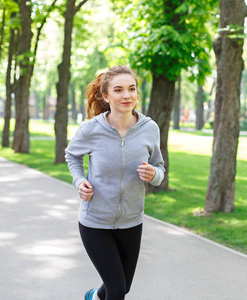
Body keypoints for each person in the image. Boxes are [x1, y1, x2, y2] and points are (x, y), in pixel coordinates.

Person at [65, 65, 165, 300]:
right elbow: (72, 155)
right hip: (95, 222)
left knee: (121, 287)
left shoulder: (149, 129)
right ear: (106, 96)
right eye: (118, 90)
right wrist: (79, 181)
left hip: (132, 221)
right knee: (117, 290)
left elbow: (159, 167)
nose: (127, 95)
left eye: (131, 89)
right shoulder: (91, 129)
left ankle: (93, 297)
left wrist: (154, 175)